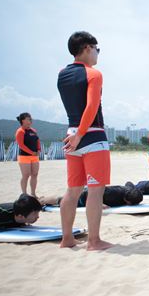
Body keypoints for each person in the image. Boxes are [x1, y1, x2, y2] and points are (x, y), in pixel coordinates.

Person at [57, 31, 112, 250]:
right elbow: (90, 107)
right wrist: (82, 133)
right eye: (97, 49)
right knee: (96, 191)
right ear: (88, 47)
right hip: (91, 135)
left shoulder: (62, 74)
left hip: (71, 136)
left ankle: (67, 238)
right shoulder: (94, 74)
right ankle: (94, 241)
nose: (98, 54)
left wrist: (76, 134)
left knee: (72, 191)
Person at [40, 185, 143, 209]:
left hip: (89, 192)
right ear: (126, 200)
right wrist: (99, 203)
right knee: (63, 201)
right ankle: (40, 201)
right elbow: (97, 190)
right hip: (85, 196)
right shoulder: (113, 193)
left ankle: (42, 200)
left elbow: (129, 183)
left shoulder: (130, 190)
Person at [15, 112, 41, 197]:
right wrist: (31, 152)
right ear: (23, 120)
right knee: (26, 175)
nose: (30, 120)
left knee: (35, 174)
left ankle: (33, 193)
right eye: (28, 118)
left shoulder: (33, 130)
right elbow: (21, 145)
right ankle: (24, 194)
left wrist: (39, 149)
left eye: (30, 118)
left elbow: (37, 141)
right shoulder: (20, 131)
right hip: (24, 157)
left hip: (34, 157)